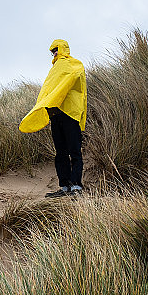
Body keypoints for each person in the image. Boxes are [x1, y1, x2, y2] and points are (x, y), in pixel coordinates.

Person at [19, 39, 87, 197]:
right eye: (52, 51)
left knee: (74, 152)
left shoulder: (74, 64)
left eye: (56, 49)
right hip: (56, 116)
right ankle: (64, 187)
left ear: (64, 48)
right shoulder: (54, 70)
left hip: (70, 114)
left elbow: (74, 84)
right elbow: (48, 90)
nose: (54, 53)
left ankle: (76, 187)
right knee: (60, 153)